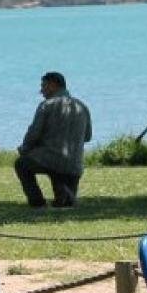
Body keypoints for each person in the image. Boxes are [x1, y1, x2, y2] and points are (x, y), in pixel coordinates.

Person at [15, 71, 92, 208]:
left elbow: (33, 135)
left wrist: (25, 149)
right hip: (75, 164)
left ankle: (37, 203)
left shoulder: (47, 105)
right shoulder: (82, 107)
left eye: (43, 86)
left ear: (53, 85)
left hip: (52, 162)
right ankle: (64, 197)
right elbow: (87, 137)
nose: (41, 91)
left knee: (22, 164)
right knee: (64, 203)